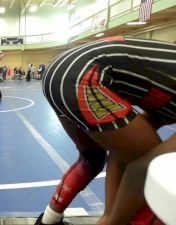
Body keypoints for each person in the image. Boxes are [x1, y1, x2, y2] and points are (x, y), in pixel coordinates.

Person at [35, 36, 175, 225]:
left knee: (92, 159)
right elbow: (142, 167)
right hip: (82, 77)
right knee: (155, 169)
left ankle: (48, 221)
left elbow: (126, 147)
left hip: (60, 71)